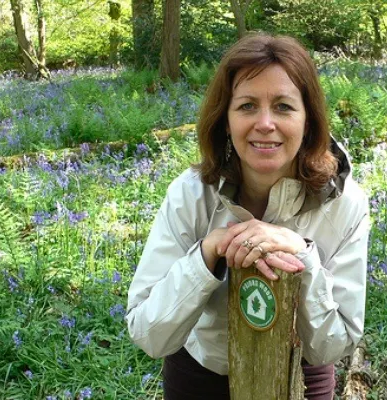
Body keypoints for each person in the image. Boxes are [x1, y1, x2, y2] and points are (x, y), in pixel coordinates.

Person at [126, 33, 370, 400]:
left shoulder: (344, 204)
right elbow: (149, 333)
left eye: (284, 107)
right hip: (201, 376)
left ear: (309, 120)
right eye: (247, 106)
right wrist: (207, 256)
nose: (265, 123)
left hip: (300, 376)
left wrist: (303, 259)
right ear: (225, 119)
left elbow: (334, 345)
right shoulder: (191, 194)